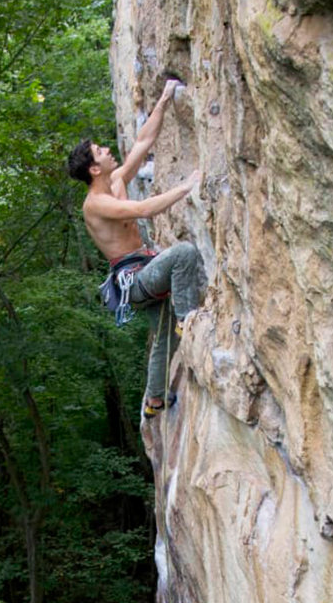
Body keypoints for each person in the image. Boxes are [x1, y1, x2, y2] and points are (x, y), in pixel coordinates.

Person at [67, 78, 204, 418]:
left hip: (145, 270)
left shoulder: (115, 181)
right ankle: (189, 319)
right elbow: (142, 210)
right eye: (101, 151)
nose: (108, 150)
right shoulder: (95, 204)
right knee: (184, 254)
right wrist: (187, 185)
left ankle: (154, 401)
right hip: (136, 279)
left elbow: (144, 142)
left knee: (163, 338)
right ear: (94, 168)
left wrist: (165, 98)